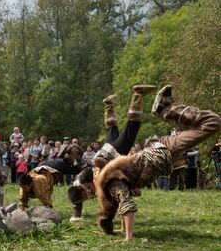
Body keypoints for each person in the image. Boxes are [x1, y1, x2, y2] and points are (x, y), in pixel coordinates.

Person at [94, 85, 221, 240]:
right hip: (161, 153)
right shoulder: (110, 184)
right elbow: (122, 206)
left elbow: (126, 205)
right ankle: (162, 110)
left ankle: (163, 109)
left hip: (161, 152)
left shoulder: (111, 185)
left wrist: (128, 237)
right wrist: (120, 228)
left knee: (212, 122)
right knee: (204, 125)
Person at [67, 85, 158, 221]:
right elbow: (77, 204)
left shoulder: (90, 181)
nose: (87, 198)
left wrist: (131, 188)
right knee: (112, 129)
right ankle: (108, 104)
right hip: (105, 152)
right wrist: (76, 216)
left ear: (84, 188)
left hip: (113, 156)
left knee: (132, 128)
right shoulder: (77, 187)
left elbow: (112, 184)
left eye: (85, 197)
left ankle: (138, 94)